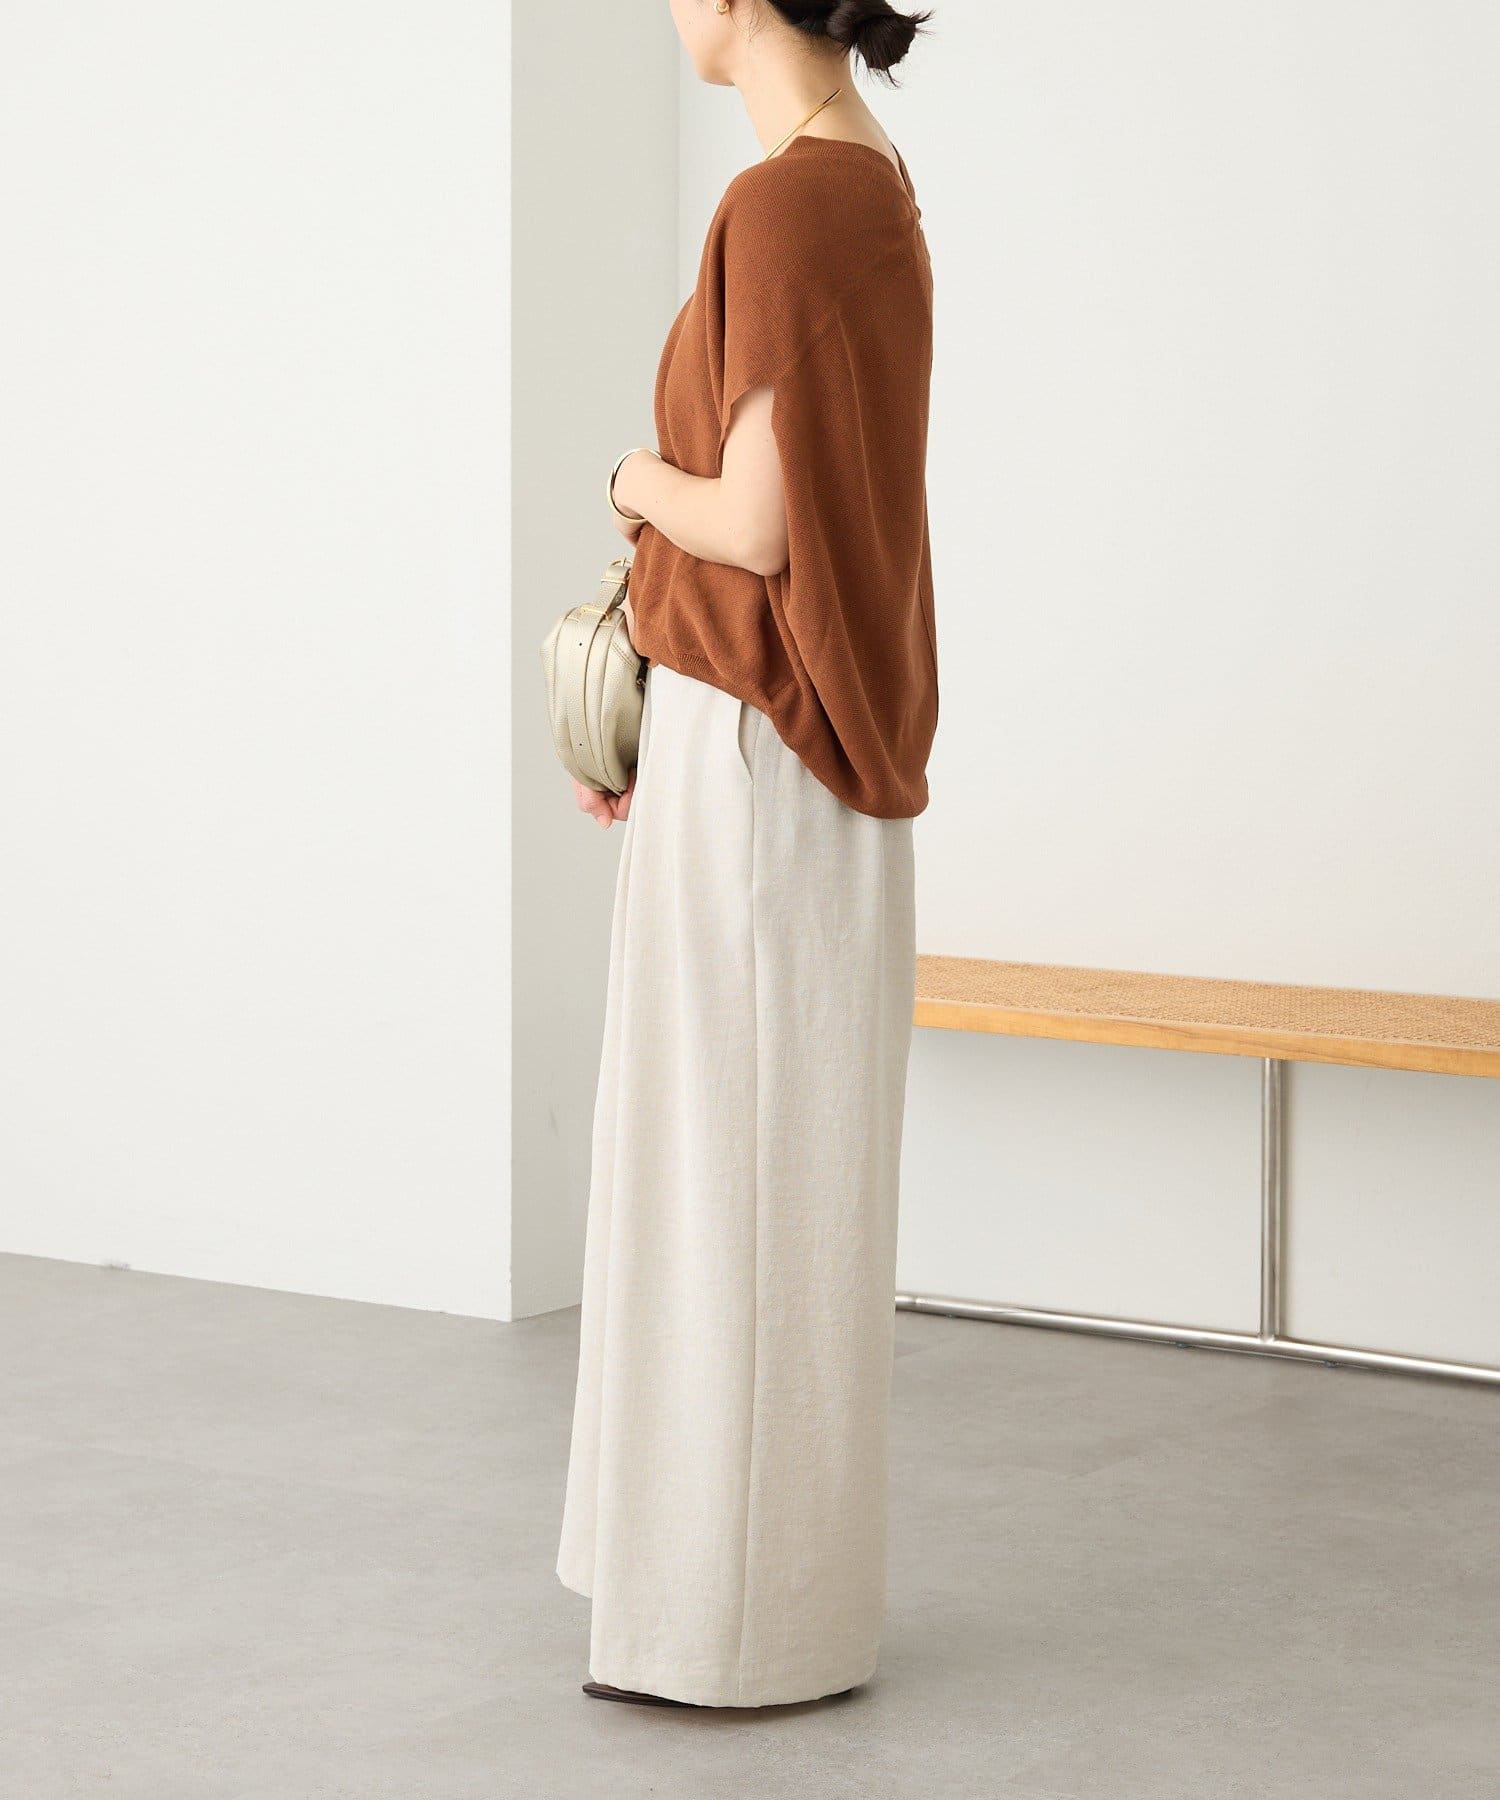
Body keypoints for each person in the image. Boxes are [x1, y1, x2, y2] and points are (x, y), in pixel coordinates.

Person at [556, 0, 939, 1710]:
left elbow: (758, 524)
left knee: (724, 1174)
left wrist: (629, 476)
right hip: (786, 745)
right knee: (772, 1175)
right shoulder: (867, 180)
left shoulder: (790, 199)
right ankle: (748, 1609)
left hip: (764, 756)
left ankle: (719, 1628)